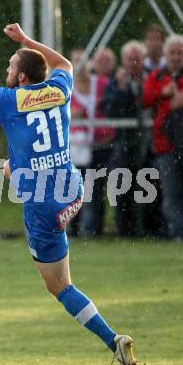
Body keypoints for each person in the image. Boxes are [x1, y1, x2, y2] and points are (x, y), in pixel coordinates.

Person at [0, 23, 138, 365]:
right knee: (14, 168)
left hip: (43, 203)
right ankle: (19, 171)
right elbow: (66, 65)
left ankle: (112, 338)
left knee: (59, 286)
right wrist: (27, 41)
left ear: (23, 76)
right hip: (72, 190)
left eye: (12, 65)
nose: (7, 70)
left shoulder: (7, 99)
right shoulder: (59, 89)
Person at [101, 40, 147, 237]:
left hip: (147, 143)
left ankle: (146, 230)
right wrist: (120, 89)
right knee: (120, 187)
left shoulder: (150, 79)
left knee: (147, 189)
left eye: (137, 59)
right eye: (130, 59)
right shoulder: (114, 82)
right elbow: (110, 111)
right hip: (123, 143)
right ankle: (124, 231)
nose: (134, 63)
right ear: (123, 61)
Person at [143, 34, 183, 241]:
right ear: (165, 55)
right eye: (172, 52)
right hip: (165, 144)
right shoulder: (157, 77)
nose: (176, 56)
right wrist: (163, 93)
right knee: (172, 193)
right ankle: (178, 234)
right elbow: (145, 98)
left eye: (180, 52)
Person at [69, 49, 115, 237]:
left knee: (95, 191)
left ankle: (93, 231)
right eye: (76, 61)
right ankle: (77, 230)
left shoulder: (102, 84)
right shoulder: (68, 88)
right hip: (77, 147)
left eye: (83, 61)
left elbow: (113, 105)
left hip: (103, 144)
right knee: (76, 191)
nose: (80, 66)